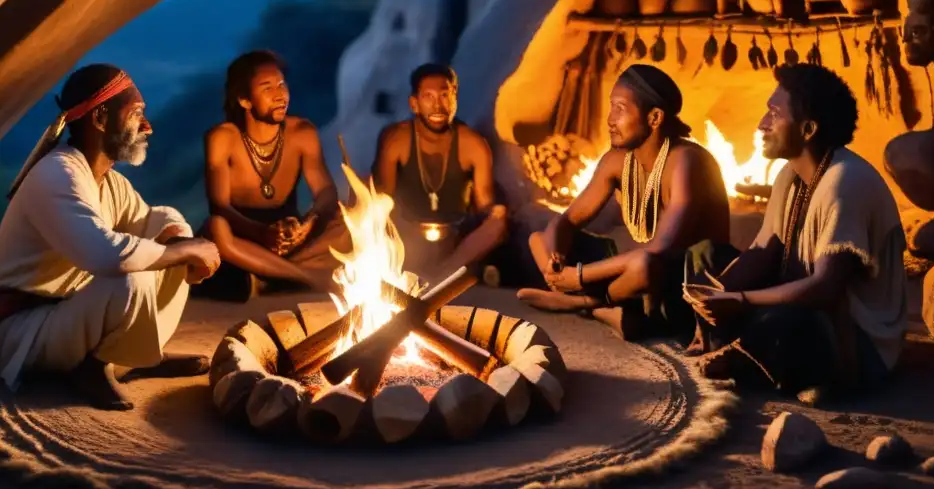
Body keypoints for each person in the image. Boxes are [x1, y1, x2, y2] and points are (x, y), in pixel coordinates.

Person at [0, 64, 221, 411]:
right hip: (28, 332)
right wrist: (188, 248)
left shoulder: (109, 182)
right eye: (137, 114)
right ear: (99, 117)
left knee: (166, 254)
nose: (147, 126)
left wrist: (178, 238)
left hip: (71, 316)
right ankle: (91, 366)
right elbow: (107, 256)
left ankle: (139, 354)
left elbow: (152, 218)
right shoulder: (57, 173)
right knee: (133, 276)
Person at [683, 64, 907, 399]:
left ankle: (761, 357)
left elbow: (824, 290)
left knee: (788, 324)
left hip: (854, 343)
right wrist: (714, 296)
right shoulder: (789, 175)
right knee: (703, 256)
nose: (762, 124)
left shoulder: (845, 182)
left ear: (808, 129)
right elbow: (764, 251)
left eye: (774, 114)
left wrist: (740, 301)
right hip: (802, 306)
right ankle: (746, 350)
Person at [517, 64, 733, 342]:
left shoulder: (686, 161)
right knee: (539, 238)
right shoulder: (617, 161)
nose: (610, 119)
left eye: (620, 108)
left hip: (688, 284)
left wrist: (579, 278)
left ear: (654, 117)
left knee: (642, 265)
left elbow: (658, 250)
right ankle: (610, 307)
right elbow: (566, 221)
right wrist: (556, 261)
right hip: (641, 274)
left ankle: (588, 305)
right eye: (611, 107)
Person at [199, 50, 349, 301]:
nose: (280, 95)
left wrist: (309, 222)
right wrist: (261, 233)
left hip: (290, 238)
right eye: (267, 88)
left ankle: (269, 278)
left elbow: (325, 192)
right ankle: (309, 278)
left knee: (348, 219)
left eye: (282, 84)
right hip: (244, 236)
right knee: (215, 229)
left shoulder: (302, 132)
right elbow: (219, 206)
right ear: (245, 100)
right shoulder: (222, 138)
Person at [371, 63, 507, 282]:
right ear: (414, 104)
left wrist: (495, 211)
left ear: (455, 99)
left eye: (445, 96)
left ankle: (441, 275)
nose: (438, 106)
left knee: (498, 222)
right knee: (366, 207)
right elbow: (382, 196)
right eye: (428, 97)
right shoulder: (396, 139)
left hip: (455, 238)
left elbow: (484, 206)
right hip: (406, 237)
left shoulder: (473, 144)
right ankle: (451, 274)